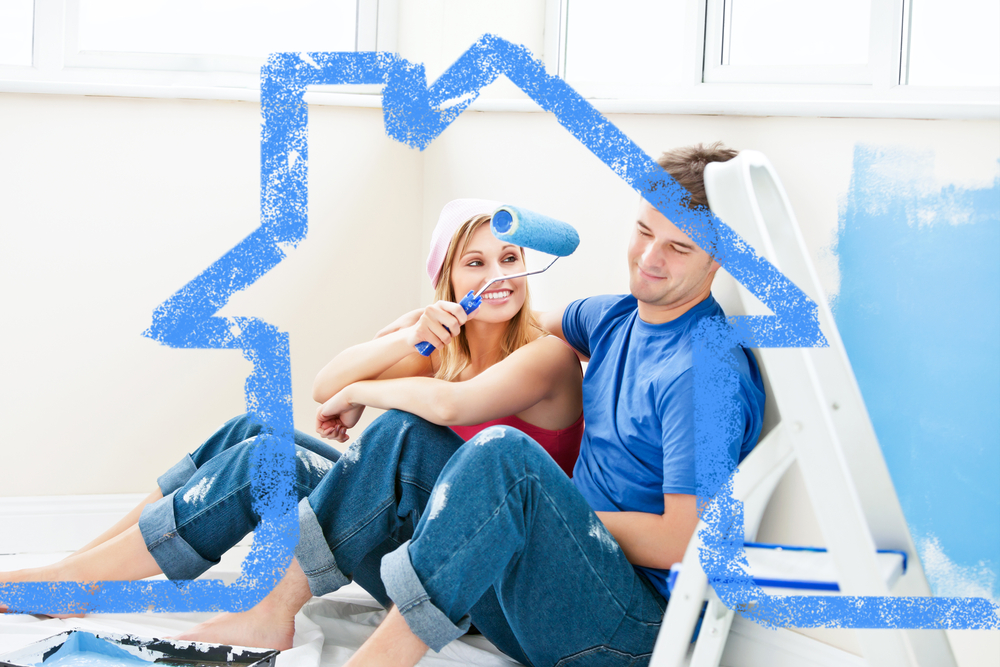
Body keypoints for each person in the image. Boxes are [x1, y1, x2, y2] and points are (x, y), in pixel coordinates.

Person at [156, 142, 768, 667]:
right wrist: (419, 324)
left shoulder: (705, 372)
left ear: (723, 257)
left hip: (623, 631)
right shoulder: (613, 317)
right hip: (538, 593)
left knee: (506, 457)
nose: (649, 258)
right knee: (403, 433)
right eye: (643, 231)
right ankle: (274, 612)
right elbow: (522, 317)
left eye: (679, 248)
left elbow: (680, 540)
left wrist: (550, 517)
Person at [0, 198, 585, 621]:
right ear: (449, 280)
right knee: (252, 428)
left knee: (271, 458)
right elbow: (325, 381)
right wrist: (410, 334)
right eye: (475, 263)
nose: (498, 276)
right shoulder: (439, 352)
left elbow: (431, 403)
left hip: (471, 567)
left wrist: (357, 396)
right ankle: (82, 568)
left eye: (509, 258)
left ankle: (77, 580)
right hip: (413, 532)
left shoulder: (543, 354)